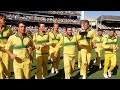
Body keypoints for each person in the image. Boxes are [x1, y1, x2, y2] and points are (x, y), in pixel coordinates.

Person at [0, 13, 14, 79]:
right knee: (0, 69)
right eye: (4, 20)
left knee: (6, 68)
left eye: (5, 20)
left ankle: (7, 76)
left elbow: (13, 38)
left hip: (6, 51)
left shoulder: (8, 29)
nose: (5, 21)